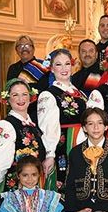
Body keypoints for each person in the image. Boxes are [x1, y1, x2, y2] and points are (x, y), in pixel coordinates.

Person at [0, 79, 46, 212]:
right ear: (7, 99)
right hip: (16, 187)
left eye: (24, 94)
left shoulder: (32, 124)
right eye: (15, 95)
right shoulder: (6, 125)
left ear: (31, 97)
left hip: (33, 185)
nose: (20, 99)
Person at [37, 48, 87, 191]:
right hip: (64, 145)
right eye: (58, 65)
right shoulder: (48, 95)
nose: (64, 68)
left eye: (67, 64)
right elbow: (48, 127)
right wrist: (50, 154)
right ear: (51, 68)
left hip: (82, 144)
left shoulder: (80, 92)